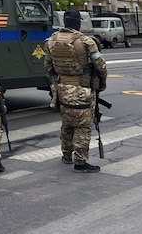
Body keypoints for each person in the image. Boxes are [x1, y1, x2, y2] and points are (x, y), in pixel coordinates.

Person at [44, 9, 108, 173]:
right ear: (79, 23)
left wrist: (55, 85)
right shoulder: (86, 42)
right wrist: (100, 85)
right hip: (81, 89)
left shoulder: (51, 41)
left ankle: (66, 154)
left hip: (62, 89)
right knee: (82, 126)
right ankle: (80, 161)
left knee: (67, 123)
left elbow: (48, 67)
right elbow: (100, 65)